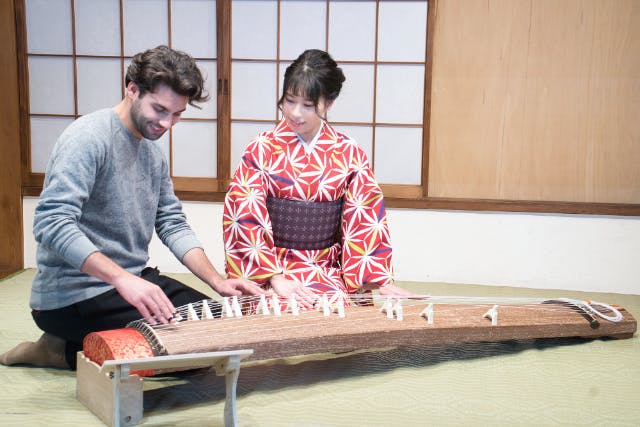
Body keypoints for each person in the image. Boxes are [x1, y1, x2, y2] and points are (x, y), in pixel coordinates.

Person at [0, 45, 264, 370]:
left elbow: (172, 224)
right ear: (132, 89)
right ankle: (56, 351)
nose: (167, 123)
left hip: (133, 284)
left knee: (224, 327)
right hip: (74, 296)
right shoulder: (88, 138)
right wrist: (122, 278)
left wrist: (217, 281)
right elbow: (52, 224)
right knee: (193, 349)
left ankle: (69, 345)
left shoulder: (153, 155)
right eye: (160, 110)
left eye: (177, 114)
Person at [223, 49, 412, 311]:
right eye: (289, 101)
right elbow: (244, 217)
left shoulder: (348, 152)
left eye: (308, 105)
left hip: (327, 270)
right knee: (277, 312)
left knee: (333, 312)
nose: (295, 113)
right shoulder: (261, 149)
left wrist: (379, 280)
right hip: (272, 270)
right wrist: (275, 277)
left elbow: (365, 218)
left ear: (329, 103)